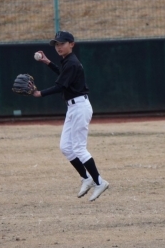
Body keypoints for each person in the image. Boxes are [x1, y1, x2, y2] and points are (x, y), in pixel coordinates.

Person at [32, 31, 110, 201]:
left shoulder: (72, 63)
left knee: (79, 148)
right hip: (73, 107)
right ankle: (86, 178)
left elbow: (60, 86)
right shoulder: (68, 62)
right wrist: (48, 62)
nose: (58, 47)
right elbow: (62, 75)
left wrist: (40, 93)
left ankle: (99, 182)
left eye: (62, 43)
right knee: (66, 147)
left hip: (80, 107)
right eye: (56, 44)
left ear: (72, 44)